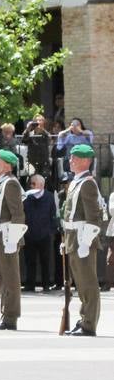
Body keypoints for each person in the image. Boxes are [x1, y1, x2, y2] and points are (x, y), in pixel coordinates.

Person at [62, 144, 104, 336]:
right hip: (73, 238)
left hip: (82, 240)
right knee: (80, 283)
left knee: (88, 283)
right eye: (71, 157)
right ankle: (84, 318)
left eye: (75, 158)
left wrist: (86, 242)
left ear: (86, 161)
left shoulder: (87, 183)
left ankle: (89, 323)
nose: (71, 160)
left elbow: (93, 216)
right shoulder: (76, 182)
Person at [0, 149, 26, 330]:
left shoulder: (10, 183)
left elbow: (18, 214)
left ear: (7, 165)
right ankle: (4, 314)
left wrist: (13, 240)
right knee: (1, 278)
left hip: (6, 237)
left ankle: (10, 317)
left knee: (10, 278)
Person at [22, 174, 58, 292]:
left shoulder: (49, 197)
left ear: (41, 185)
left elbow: (52, 214)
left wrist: (51, 231)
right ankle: (30, 284)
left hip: (44, 234)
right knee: (29, 261)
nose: (31, 186)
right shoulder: (26, 197)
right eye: (30, 184)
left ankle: (46, 284)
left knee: (45, 260)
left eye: (33, 183)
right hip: (29, 234)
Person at [21, 114, 52, 180]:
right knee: (32, 177)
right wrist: (28, 129)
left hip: (43, 162)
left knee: (45, 179)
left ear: (43, 122)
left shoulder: (45, 134)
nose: (38, 122)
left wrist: (42, 130)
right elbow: (23, 140)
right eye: (36, 121)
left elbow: (50, 139)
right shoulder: (30, 133)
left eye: (40, 120)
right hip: (32, 161)